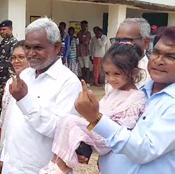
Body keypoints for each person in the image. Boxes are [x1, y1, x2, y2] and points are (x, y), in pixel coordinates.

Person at [75, 26, 175, 174]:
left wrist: (95, 119)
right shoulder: (140, 91)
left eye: (171, 56)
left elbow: (144, 150)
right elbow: (120, 133)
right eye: (156, 52)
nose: (159, 61)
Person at [42, 42, 146, 174]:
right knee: (67, 121)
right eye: (107, 73)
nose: (111, 79)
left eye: (117, 74)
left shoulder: (137, 97)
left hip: (110, 139)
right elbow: (99, 113)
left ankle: (60, 168)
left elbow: (123, 129)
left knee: (70, 121)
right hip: (100, 132)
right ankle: (56, 163)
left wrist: (91, 121)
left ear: (134, 73)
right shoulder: (113, 92)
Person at [0, 17, 81, 174]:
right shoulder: (25, 75)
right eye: (28, 47)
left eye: (38, 48)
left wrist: (25, 100)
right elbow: (12, 123)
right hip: (11, 166)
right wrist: (4, 156)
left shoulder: (69, 83)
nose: (30, 53)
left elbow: (61, 132)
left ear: (57, 47)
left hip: (40, 169)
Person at [0, 40, 29, 171]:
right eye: (14, 58)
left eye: (21, 57)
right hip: (7, 138)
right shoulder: (10, 81)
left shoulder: (32, 84)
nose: (16, 61)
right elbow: (5, 115)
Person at [107, 18, 151, 93]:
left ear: (146, 42)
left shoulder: (151, 76)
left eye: (126, 41)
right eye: (117, 41)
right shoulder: (113, 67)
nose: (120, 45)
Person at [0, 20, 18, 115]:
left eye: (4, 29)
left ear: (10, 29)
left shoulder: (14, 43)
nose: (1, 32)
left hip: (6, 77)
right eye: (0, 30)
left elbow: (14, 62)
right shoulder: (4, 42)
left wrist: (11, 78)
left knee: (4, 103)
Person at [77, 20, 91, 87]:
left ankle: (87, 81)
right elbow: (78, 41)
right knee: (82, 68)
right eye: (82, 25)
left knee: (87, 67)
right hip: (79, 52)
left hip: (85, 53)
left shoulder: (88, 33)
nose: (83, 27)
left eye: (84, 25)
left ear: (86, 26)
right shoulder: (79, 33)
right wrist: (82, 40)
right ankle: (83, 80)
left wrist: (81, 40)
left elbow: (86, 42)